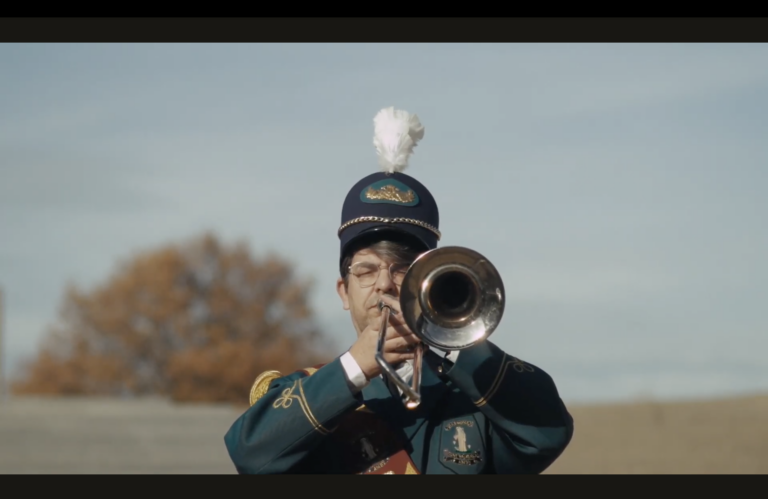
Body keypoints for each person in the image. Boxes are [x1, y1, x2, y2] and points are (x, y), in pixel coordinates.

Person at [223, 106, 574, 474]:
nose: (385, 283)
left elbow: (548, 432)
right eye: (366, 270)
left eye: (404, 269)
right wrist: (357, 366)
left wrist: (448, 341)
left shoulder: (473, 398)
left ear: (430, 281)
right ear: (344, 292)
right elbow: (250, 453)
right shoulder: (306, 390)